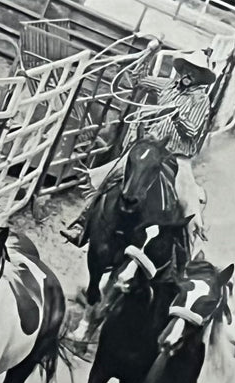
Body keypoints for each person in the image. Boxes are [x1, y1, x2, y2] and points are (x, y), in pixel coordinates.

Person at [63, 51, 217, 245]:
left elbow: (193, 131)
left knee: (187, 200)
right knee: (111, 176)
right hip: (151, 147)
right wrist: (147, 56)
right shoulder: (167, 85)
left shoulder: (200, 100)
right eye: (187, 69)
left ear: (200, 77)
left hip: (176, 156)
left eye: (194, 72)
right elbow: (141, 80)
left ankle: (185, 246)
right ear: (182, 69)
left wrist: (177, 117)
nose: (188, 74)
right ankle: (82, 224)